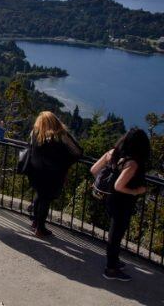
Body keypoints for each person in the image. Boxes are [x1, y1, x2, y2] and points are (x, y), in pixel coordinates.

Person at [91, 128, 149, 281]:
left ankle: (114, 261)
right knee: (116, 235)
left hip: (109, 199)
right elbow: (118, 186)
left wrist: (105, 182)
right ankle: (111, 269)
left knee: (114, 233)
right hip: (121, 203)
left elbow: (94, 169)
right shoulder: (132, 164)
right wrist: (137, 191)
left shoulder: (112, 153)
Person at [26, 111, 83, 237]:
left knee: (39, 196)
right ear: (55, 121)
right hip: (52, 174)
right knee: (45, 200)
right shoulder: (60, 135)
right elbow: (78, 152)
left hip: (35, 172)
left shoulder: (35, 134)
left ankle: (35, 222)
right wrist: (66, 164)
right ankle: (40, 228)